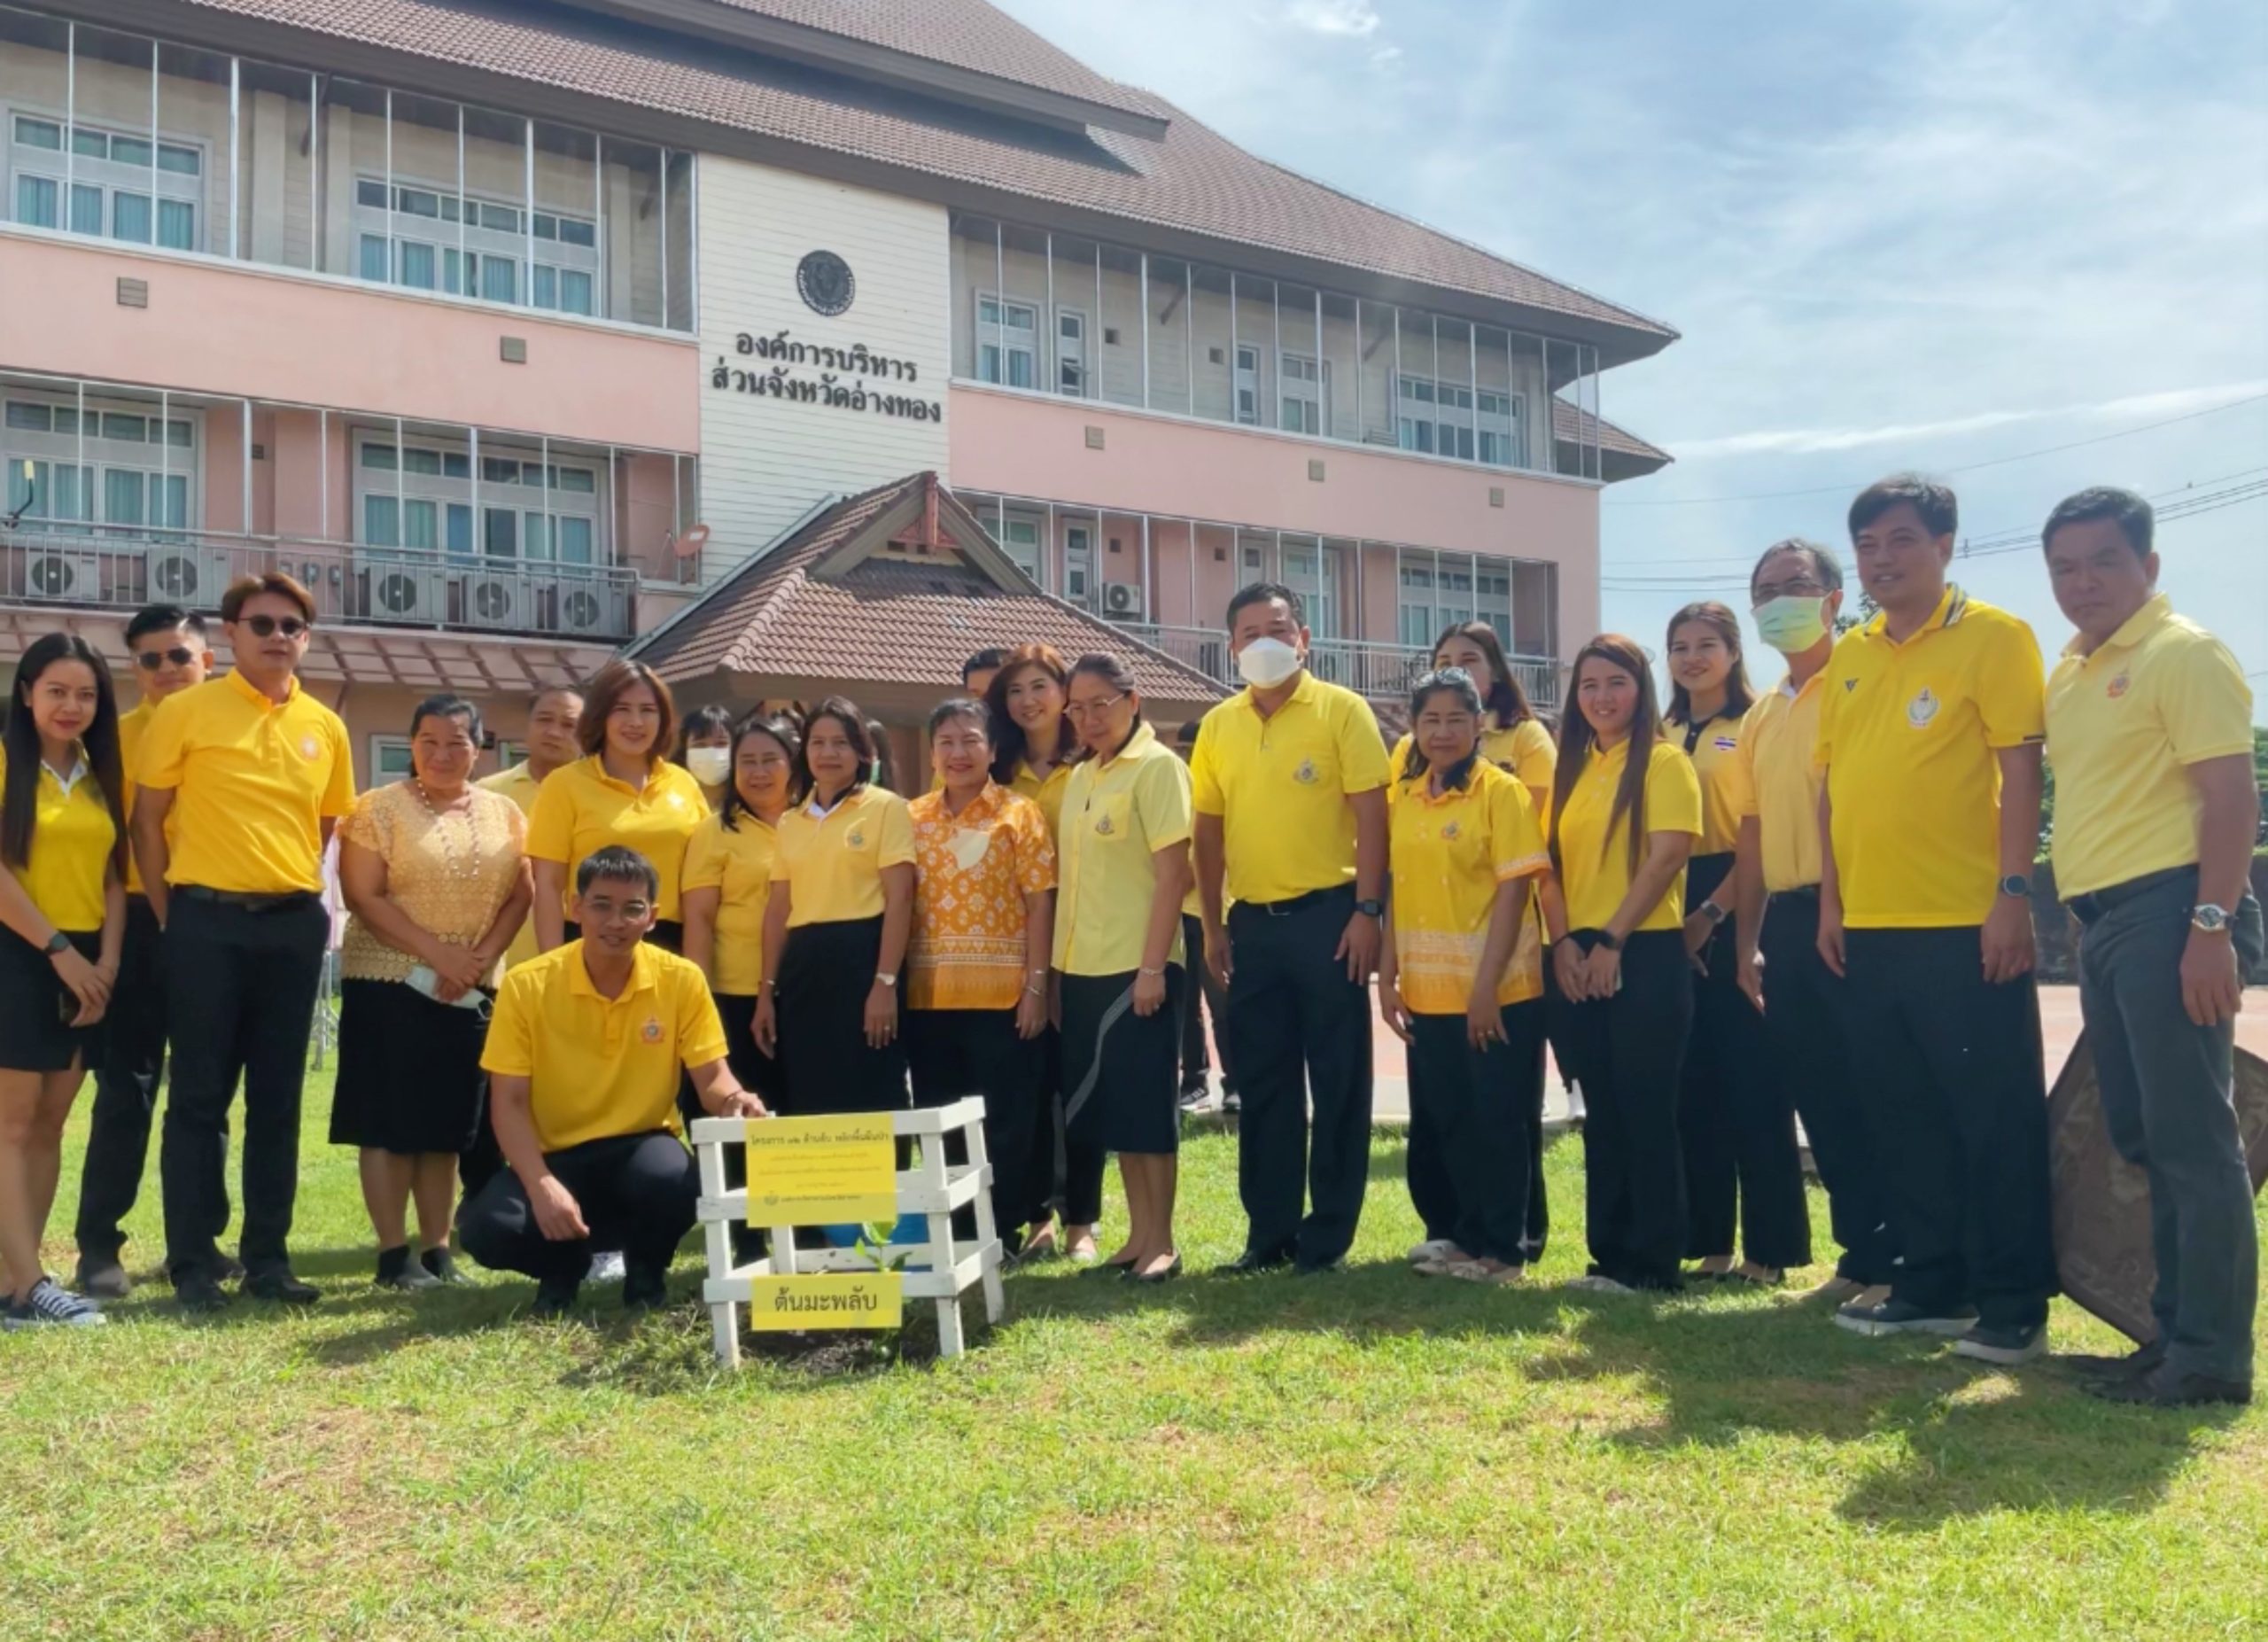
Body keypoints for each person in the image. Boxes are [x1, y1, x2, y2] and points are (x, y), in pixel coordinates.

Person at [1818, 474, 2055, 1365]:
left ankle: (2011, 1299)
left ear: (1945, 543)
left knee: (1988, 1114)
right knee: (1903, 1114)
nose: (1881, 559)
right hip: (1868, 926)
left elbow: (2020, 773)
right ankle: (1931, 1281)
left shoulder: (1993, 636)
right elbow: (1833, 789)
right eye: (1868, 545)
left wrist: (2011, 893)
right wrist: (1834, 904)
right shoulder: (1852, 651)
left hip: (1964, 922)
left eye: (1900, 540)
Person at [2039, 487, 2262, 1406]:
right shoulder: (2072, 672)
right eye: (2062, 567)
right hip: (2104, 922)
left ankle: (2209, 1359)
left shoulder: (2182, 653)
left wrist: (2210, 926)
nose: (2081, 581)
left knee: (2190, 1137)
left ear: (2149, 567)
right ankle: (2169, 1337)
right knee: (2141, 1132)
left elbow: (2228, 797)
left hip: (2174, 910)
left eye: (2103, 561)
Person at [135, 573, 353, 1311]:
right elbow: (148, 820)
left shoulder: (325, 725)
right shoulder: (187, 709)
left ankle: (269, 1260)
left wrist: (290, 894)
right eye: (261, 624)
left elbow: (324, 829)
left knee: (279, 1099)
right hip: (204, 921)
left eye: (292, 625)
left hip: (292, 926)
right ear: (229, 633)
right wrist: (173, 915)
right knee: (198, 1097)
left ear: (306, 637)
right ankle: (193, 1263)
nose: (277, 637)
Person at [458, 845, 765, 1316]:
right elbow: (510, 1104)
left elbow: (713, 1079)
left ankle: (646, 1275)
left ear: (653, 916)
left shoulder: (681, 979)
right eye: (601, 905)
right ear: (574, 907)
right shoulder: (527, 984)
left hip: (641, 1147)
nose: (615, 921)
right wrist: (541, 1186)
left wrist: (737, 1100)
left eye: (632, 908)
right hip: (554, 1155)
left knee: (675, 1180)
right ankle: (564, 1268)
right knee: (487, 1227)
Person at [1191, 582, 1389, 1275]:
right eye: (1249, 632)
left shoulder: (1343, 710)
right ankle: (1267, 1232)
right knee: (1265, 1082)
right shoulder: (1218, 725)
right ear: (1231, 647)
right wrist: (1214, 922)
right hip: (1252, 925)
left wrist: (1369, 913)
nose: (1263, 642)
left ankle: (1327, 1236)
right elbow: (1207, 831)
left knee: (1338, 1079)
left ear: (1304, 638)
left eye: (1277, 628)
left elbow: (1373, 817)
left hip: (1332, 918)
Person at [1730, 541, 1900, 1306]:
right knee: (1822, 1093)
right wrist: (1747, 942)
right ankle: (1861, 1253)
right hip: (1788, 924)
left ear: (1835, 598)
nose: (1776, 601)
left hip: (1858, 912)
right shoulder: (1763, 713)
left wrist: (1835, 907)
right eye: (1763, 590)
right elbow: (1755, 834)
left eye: (1793, 586)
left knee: (1876, 1089)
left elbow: (1855, 809)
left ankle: (1902, 1256)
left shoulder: (1860, 682)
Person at [333, 695, 532, 1289]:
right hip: (388, 980)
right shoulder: (378, 809)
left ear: (479, 746)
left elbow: (522, 892)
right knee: (389, 1124)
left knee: (448, 1127)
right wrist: (437, 952)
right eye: (428, 741)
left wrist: (479, 958)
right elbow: (364, 895)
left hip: (469, 987)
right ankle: (394, 1255)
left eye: (456, 742)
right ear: (412, 743)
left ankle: (438, 1249)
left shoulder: (506, 812)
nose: (442, 754)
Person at [1386, 619, 1557, 1266]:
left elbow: (1516, 891)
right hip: (1428, 993)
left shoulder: (1501, 791)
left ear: (1479, 724)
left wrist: (1486, 988)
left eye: (1457, 718)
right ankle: (1458, 1233)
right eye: (1430, 719)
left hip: (1499, 989)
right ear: (1415, 728)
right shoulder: (1407, 796)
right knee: (1449, 1120)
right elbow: (1397, 886)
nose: (1443, 731)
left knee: (1500, 1120)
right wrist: (1387, 975)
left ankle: (1503, 1247)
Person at [1542, 634, 1701, 1294]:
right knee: (1601, 1110)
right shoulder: (1574, 769)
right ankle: (1608, 1256)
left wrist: (1611, 940)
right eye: (1589, 686)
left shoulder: (1665, 763)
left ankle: (1653, 1262)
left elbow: (1668, 855)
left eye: (1616, 682)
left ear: (1642, 688)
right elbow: (1546, 867)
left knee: (1645, 1108)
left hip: (1643, 949)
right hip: (1580, 950)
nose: (1602, 697)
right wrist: (1564, 945)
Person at [1663, 602, 1809, 1287]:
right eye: (1679, 646)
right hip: (1665, 901)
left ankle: (1769, 1251)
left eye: (1706, 644)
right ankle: (1710, 1244)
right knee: (1693, 1084)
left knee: (1755, 1081)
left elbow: (1758, 829)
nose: (1692, 657)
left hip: (1740, 896)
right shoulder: (1657, 731)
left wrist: (1715, 913)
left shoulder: (1753, 723)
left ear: (1732, 651)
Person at [73, 603, 210, 1298]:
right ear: (135, 667)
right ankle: (99, 1245)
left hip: (213, 917)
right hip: (132, 920)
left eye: (178, 655)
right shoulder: (111, 741)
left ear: (206, 659)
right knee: (125, 1089)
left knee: (204, 1091)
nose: (165, 669)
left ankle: (200, 1243)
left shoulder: (230, 733)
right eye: (150, 658)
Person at [0, 634, 126, 1327]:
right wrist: (57, 951)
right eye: (56, 691)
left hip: (86, 961)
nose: (71, 705)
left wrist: (104, 962)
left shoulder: (99, 773)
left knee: (51, 1119)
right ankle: (28, 1285)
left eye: (85, 694)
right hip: (20, 950)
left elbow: (114, 874)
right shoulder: (3, 763)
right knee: (11, 1123)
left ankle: (14, 1280)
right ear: (26, 693)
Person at [1056, 654, 1192, 1281]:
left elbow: (1173, 874)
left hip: (1141, 963)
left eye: (1100, 704)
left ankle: (1163, 1239)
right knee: (1117, 1112)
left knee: (1147, 1107)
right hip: (1083, 965)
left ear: (1132, 701)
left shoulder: (1159, 767)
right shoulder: (1081, 776)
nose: (1088, 718)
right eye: (1076, 708)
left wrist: (1153, 966)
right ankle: (1138, 1236)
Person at [903, 697, 1055, 1245]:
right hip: (929, 997)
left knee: (1008, 1119)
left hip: (1004, 996)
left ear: (993, 750)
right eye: (946, 741)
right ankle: (957, 1229)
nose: (958, 752)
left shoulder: (1019, 813)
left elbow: (1040, 903)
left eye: (970, 740)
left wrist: (1036, 988)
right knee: (940, 1118)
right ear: (932, 752)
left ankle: (1005, 1226)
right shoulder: (910, 818)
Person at [983, 643, 1099, 1260]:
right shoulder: (993, 769)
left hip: (1085, 945)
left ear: (1065, 692)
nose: (1028, 701)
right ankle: (1038, 1217)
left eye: (1039, 687)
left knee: (1077, 1087)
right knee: (1027, 1089)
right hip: (1014, 952)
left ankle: (1082, 1217)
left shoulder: (1093, 762)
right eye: (1015, 691)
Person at [755, 699, 916, 1116]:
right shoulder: (791, 821)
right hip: (804, 966)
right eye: (818, 742)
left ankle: (882, 1182)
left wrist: (885, 983)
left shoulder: (886, 808)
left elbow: (900, 898)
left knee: (872, 1086)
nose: (828, 754)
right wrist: (766, 992)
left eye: (840, 743)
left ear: (861, 751)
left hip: (864, 958)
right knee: (811, 1089)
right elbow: (778, 910)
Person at [527, 658, 706, 954]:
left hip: (668, 945)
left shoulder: (684, 784)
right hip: (588, 943)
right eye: (622, 709)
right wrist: (552, 966)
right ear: (600, 716)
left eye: (648, 710)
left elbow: (699, 890)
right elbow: (548, 885)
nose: (636, 722)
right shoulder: (564, 785)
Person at [682, 714, 801, 1109]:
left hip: (808, 987)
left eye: (770, 760)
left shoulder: (814, 823)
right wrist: (700, 998)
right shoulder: (714, 831)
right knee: (746, 1111)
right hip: (737, 992)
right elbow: (698, 918)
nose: (759, 772)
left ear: (793, 763)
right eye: (747, 761)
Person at [478, 685, 585, 976]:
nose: (554, 732)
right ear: (528, 725)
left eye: (568, 725)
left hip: (576, 959)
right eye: (544, 720)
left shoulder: (599, 801)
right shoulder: (486, 794)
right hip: (497, 963)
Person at [1172, 717, 1235, 1116]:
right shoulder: (1173, 787)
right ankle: (1193, 1079)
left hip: (1218, 911)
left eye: (1195, 751)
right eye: (1183, 751)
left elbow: (1220, 846)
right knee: (1183, 1002)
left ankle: (1236, 1081)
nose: (1189, 758)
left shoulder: (1221, 788)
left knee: (1223, 1001)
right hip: (1177, 912)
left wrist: (1187, 879)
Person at [675, 704, 736, 813]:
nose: (711, 752)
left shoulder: (749, 799)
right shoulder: (671, 796)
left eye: (721, 743)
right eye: (700, 745)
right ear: (685, 749)